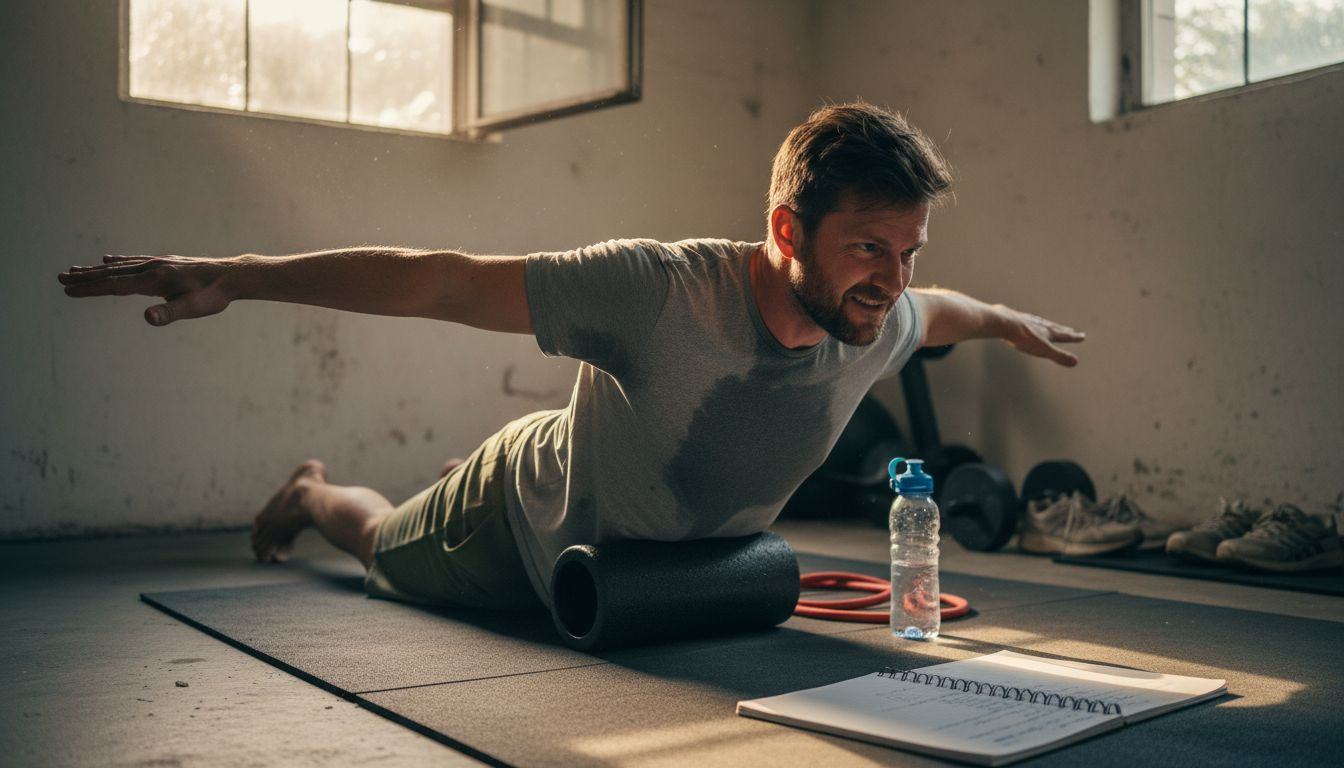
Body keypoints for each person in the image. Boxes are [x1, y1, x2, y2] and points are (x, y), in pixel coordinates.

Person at [58, 103, 1084, 612]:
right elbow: (441, 278)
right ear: (785, 228)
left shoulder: (882, 315)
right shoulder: (657, 291)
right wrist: (238, 272)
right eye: (869, 248)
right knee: (378, 552)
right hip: (515, 515)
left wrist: (1009, 321)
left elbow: (947, 307)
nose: (893, 280)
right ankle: (309, 491)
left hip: (636, 549)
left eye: (907, 252)